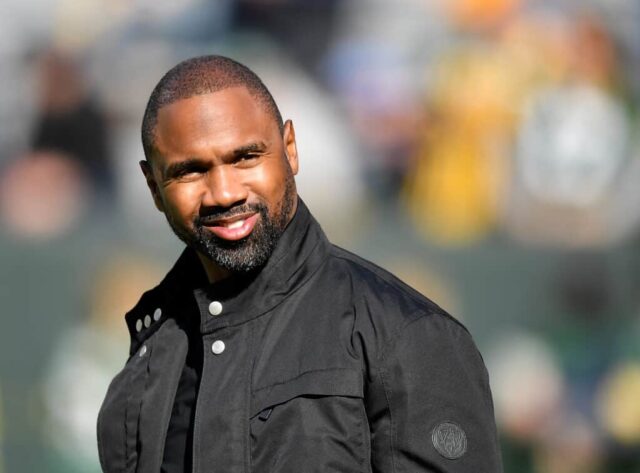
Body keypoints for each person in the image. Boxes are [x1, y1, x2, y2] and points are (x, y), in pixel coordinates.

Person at [97, 55, 503, 473]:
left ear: (290, 150)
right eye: (190, 171)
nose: (224, 192)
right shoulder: (150, 357)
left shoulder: (406, 337)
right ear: (153, 187)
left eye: (244, 158)